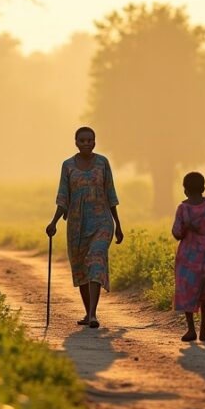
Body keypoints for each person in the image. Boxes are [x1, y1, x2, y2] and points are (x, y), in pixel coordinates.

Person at [46, 126, 123, 329]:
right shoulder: (68, 166)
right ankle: (88, 313)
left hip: (102, 222)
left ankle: (93, 314)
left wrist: (118, 224)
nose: (87, 143)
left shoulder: (102, 163)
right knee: (81, 267)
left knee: (95, 261)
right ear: (76, 143)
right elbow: (63, 197)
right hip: (77, 225)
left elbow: (111, 194)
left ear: (95, 142)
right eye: (83, 140)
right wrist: (54, 222)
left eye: (91, 140)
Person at [172, 172, 205, 342]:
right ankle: (203, 330)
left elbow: (177, 234)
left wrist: (189, 230)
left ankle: (190, 330)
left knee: (188, 290)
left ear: (185, 191)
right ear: (203, 188)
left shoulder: (183, 209)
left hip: (188, 258)